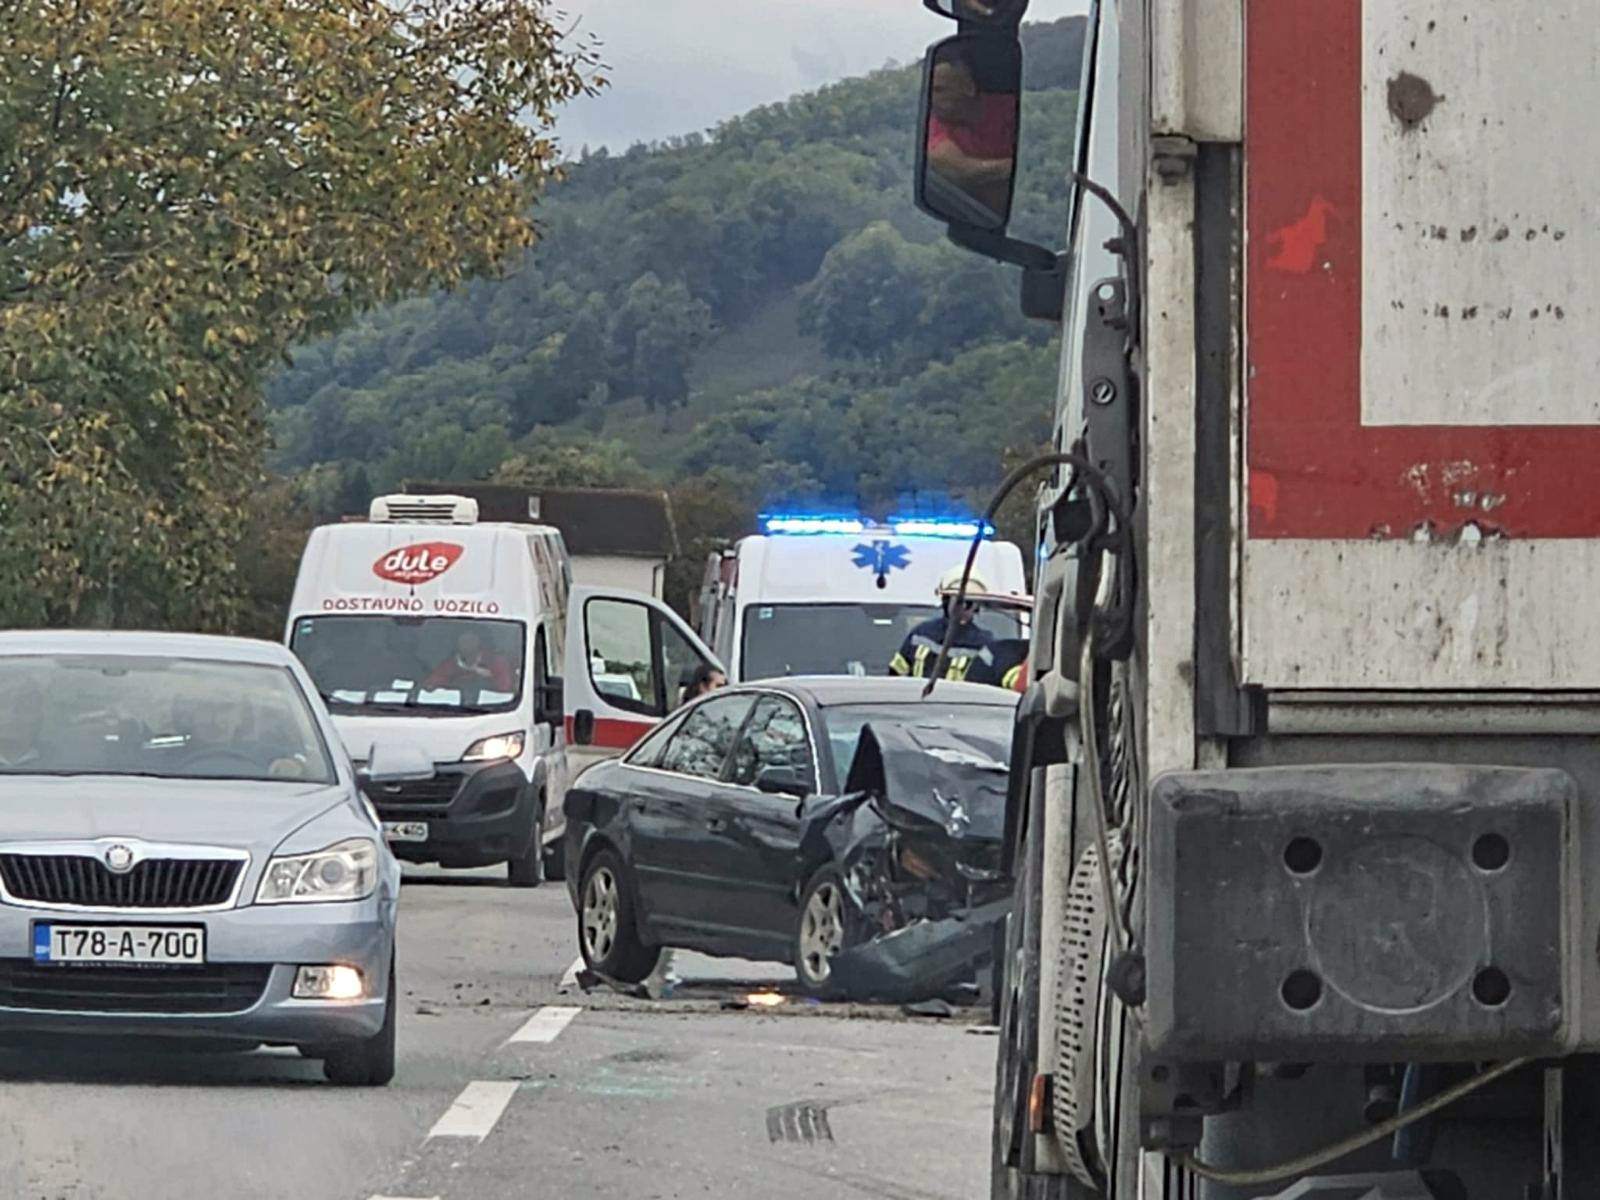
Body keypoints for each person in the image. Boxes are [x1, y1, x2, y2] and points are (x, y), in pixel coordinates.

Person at [925, 44, 1018, 218]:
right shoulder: (935, 127)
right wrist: (1018, 167)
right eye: (928, 91)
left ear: (968, 87)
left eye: (940, 90)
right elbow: (961, 170)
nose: (931, 99)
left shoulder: (1012, 108)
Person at [890, 567, 997, 683]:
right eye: (959, 601)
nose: (964, 607)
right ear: (946, 600)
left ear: (977, 606)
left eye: (970, 603)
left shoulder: (984, 644)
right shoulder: (921, 634)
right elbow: (896, 676)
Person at [424, 629, 515, 694]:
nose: (467, 645)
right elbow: (429, 686)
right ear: (457, 643)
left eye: (471, 640)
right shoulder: (449, 665)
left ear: (479, 641)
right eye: (463, 641)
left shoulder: (496, 661)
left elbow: (505, 689)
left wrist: (490, 677)